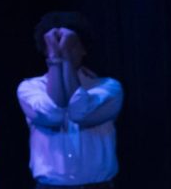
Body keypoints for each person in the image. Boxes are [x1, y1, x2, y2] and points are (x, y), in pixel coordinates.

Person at [17, 11, 124, 188]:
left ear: (83, 49)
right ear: (45, 50)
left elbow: (79, 112)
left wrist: (64, 59)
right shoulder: (30, 88)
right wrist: (56, 58)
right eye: (57, 45)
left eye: (70, 45)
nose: (63, 49)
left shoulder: (108, 87)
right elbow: (53, 114)